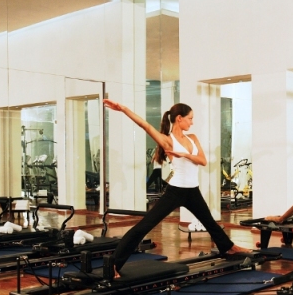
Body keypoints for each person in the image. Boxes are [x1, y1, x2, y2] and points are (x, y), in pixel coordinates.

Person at [103, 99, 250, 278]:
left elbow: (203, 161)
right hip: (176, 191)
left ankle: (229, 248)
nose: (192, 122)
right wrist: (123, 108)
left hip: (192, 190)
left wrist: (184, 154)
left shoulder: (192, 138)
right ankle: (113, 263)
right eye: (190, 118)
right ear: (179, 118)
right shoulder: (168, 140)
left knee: (210, 222)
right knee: (145, 225)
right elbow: (144, 125)